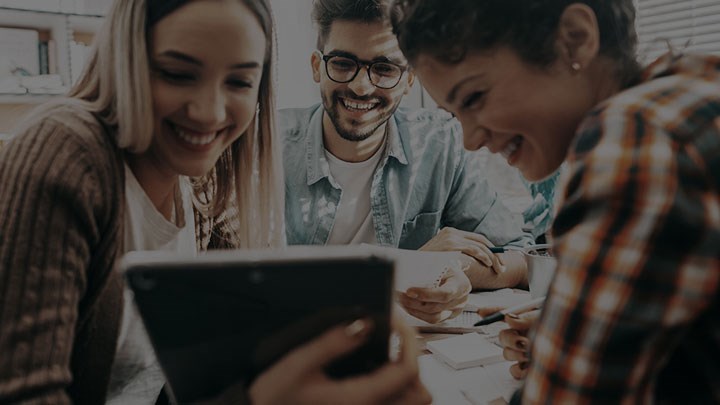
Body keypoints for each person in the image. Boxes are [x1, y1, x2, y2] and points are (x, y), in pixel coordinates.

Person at [0, 0, 429, 403]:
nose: (209, 113)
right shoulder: (68, 152)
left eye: (239, 81)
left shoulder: (212, 178)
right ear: (125, 61)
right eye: (178, 74)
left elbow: (225, 371)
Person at [392, 0, 720, 402]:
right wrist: (575, 338)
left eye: (474, 98)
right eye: (453, 113)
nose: (470, 139)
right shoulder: (693, 91)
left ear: (573, 40)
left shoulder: (638, 134)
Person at [281, 0, 535, 324]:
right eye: (343, 64)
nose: (361, 86)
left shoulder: (439, 143)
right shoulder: (267, 149)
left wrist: (454, 269)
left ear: (409, 78)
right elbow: (246, 284)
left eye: (384, 68)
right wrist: (408, 268)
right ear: (317, 66)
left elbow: (520, 257)